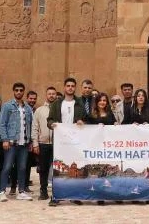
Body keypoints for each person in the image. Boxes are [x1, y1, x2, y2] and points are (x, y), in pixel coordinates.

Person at [47, 78, 86, 207]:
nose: (70, 88)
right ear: (64, 87)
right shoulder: (57, 103)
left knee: (76, 168)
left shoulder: (79, 103)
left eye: (72, 86)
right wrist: (51, 124)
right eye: (68, 86)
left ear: (75, 88)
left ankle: (75, 195)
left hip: (76, 141)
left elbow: (86, 119)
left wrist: (82, 122)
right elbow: (50, 120)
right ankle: (56, 196)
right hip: (60, 141)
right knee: (58, 169)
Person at [0, 82, 34, 202]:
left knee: (23, 168)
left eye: (21, 90)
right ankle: (2, 191)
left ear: (23, 92)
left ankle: (21, 191)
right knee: (7, 167)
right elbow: (2, 124)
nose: (19, 92)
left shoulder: (28, 108)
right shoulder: (7, 106)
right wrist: (5, 139)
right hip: (11, 142)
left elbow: (30, 125)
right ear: (13, 91)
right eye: (17, 90)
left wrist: (30, 142)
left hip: (24, 143)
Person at [32, 86, 57, 200]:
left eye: (53, 93)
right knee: (43, 169)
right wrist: (35, 143)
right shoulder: (39, 110)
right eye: (49, 93)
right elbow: (35, 127)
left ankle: (57, 192)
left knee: (57, 169)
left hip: (58, 143)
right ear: (46, 95)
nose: (51, 95)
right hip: (43, 143)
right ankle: (43, 191)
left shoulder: (59, 109)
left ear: (56, 95)